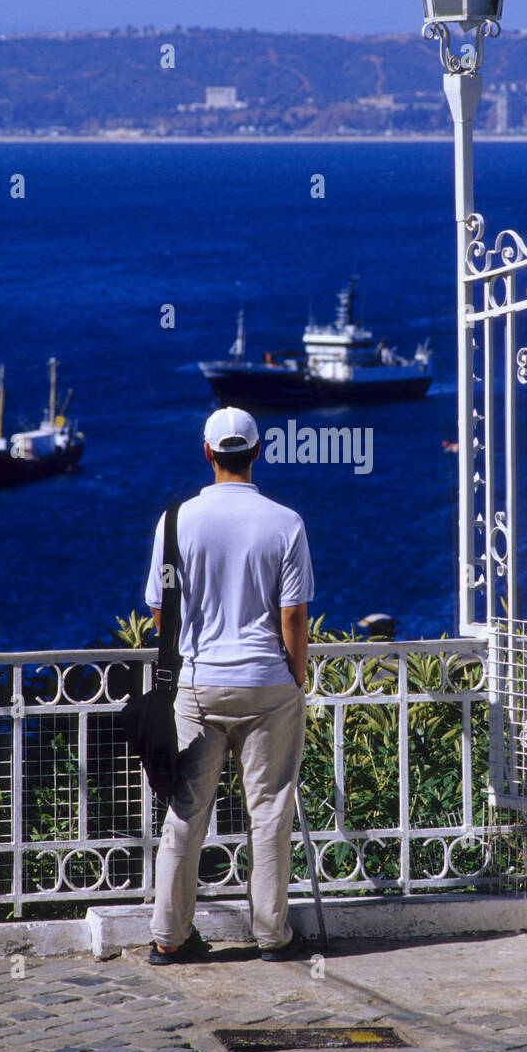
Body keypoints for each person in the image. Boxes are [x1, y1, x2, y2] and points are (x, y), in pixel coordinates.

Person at [144, 406, 314, 964]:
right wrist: (295, 675)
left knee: (186, 810)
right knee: (268, 810)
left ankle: (169, 935)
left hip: (198, 684)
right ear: (258, 452)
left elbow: (161, 614)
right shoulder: (285, 522)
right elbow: (292, 616)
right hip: (267, 684)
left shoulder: (175, 523)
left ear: (208, 452)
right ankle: (271, 935)